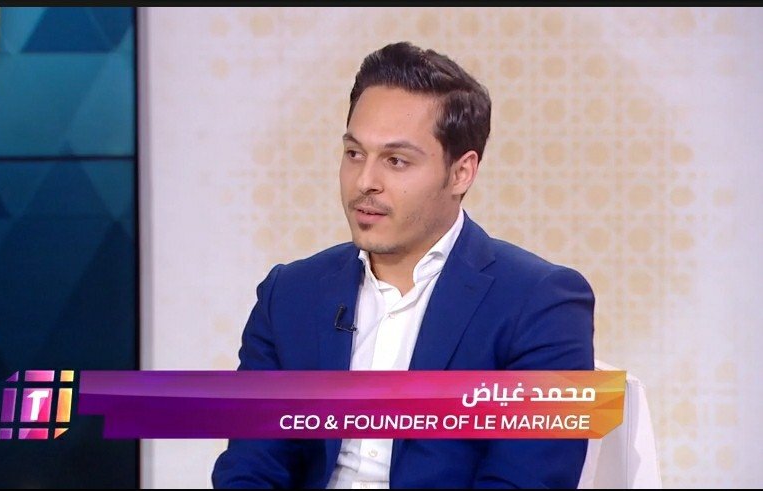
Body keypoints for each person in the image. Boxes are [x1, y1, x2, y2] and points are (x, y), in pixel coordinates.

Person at [212, 41, 594, 489]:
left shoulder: (541, 303)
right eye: (354, 154)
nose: (365, 182)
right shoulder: (290, 294)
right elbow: (250, 468)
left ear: (461, 172)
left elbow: (525, 481)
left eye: (396, 161)